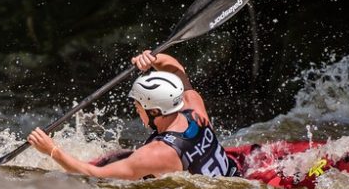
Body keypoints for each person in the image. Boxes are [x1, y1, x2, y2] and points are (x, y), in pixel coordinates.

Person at [26, 50, 238, 180]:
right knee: (116, 156)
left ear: (155, 111)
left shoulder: (157, 154)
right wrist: (153, 58)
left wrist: (52, 150)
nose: (137, 112)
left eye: (138, 108)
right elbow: (176, 70)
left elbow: (94, 176)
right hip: (232, 174)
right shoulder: (194, 108)